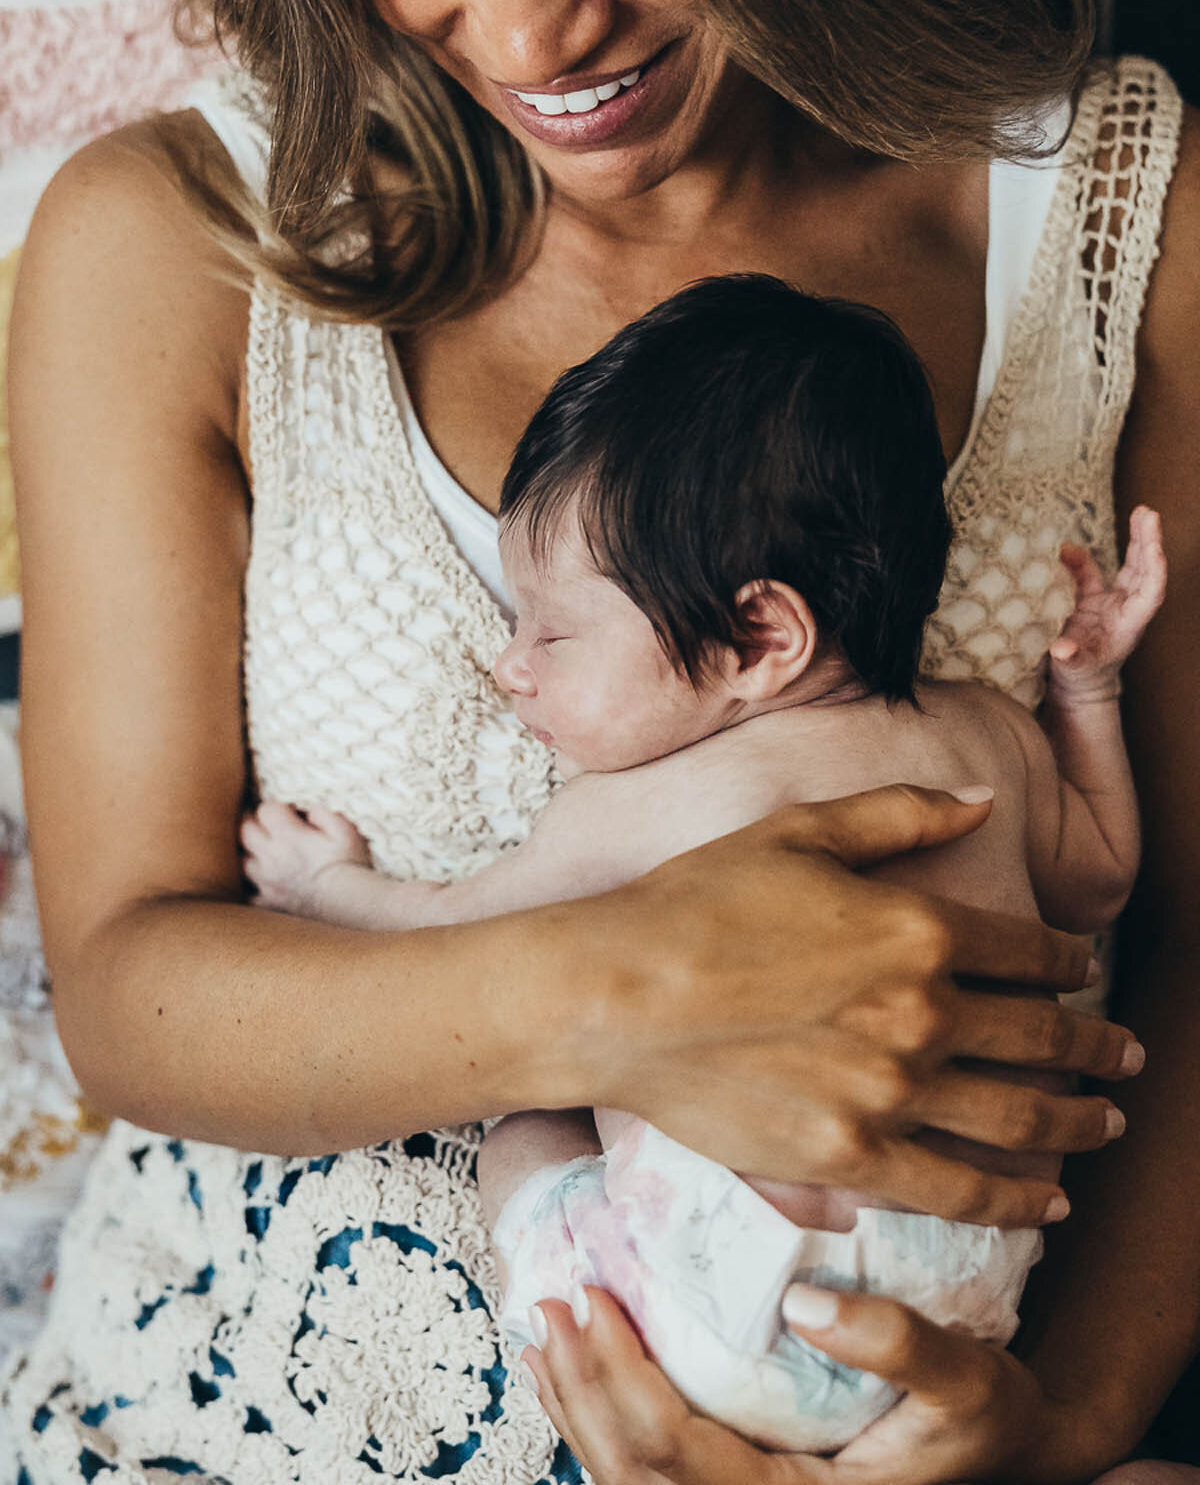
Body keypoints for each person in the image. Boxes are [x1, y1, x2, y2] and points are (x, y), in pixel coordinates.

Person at [1, 0, 1197, 1478]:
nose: (524, 19)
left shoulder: (1118, 221)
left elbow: (1186, 931)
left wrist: (1057, 1428)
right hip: (244, 1417)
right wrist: (643, 998)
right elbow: (129, 988)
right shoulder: (171, 248)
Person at [239, 274, 1167, 1453]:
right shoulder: (990, 736)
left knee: (525, 1113)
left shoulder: (634, 805)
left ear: (760, 637)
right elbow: (1099, 884)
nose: (509, 665)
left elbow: (450, 935)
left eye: (553, 631)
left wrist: (325, 888)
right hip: (961, 1301)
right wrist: (1087, 693)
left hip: (699, 1296)